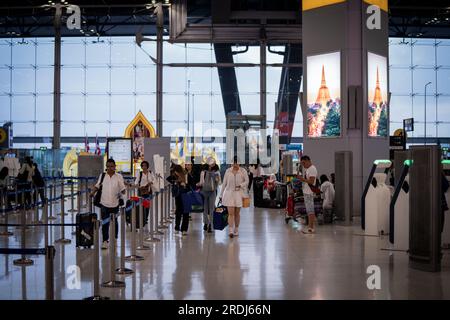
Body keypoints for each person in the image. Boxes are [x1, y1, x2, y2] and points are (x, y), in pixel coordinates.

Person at [90, 159, 126, 249]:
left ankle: (115, 238)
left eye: (111, 166)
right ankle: (105, 240)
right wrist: (92, 193)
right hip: (104, 203)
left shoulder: (118, 176)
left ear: (115, 167)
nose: (109, 168)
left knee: (115, 222)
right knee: (105, 223)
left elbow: (123, 189)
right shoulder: (102, 176)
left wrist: (122, 191)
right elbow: (97, 185)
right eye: (108, 166)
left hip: (115, 203)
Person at [219, 156, 249, 238]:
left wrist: (241, 185)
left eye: (237, 163)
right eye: (234, 163)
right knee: (230, 213)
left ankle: (236, 229)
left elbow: (247, 181)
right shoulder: (228, 171)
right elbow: (224, 183)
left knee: (237, 213)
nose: (235, 165)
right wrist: (221, 195)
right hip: (229, 193)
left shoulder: (243, 171)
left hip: (239, 194)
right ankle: (231, 230)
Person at [197, 158, 221, 233]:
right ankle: (210, 224)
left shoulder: (203, 172)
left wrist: (197, 185)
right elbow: (219, 182)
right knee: (211, 209)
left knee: (205, 208)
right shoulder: (217, 172)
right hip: (212, 192)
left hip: (204, 191)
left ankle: (206, 223)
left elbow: (201, 183)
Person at [298, 155, 318, 234]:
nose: (303, 165)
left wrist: (301, 179)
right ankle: (310, 227)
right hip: (307, 192)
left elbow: (312, 181)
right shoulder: (308, 169)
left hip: (309, 192)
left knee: (310, 210)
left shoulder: (312, 169)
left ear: (307, 160)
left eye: (304, 163)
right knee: (309, 210)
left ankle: (311, 228)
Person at [134, 160, 154, 225]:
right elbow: (136, 182)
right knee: (142, 205)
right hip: (141, 192)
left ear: (147, 166)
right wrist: (139, 187)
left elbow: (153, 180)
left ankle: (146, 218)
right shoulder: (140, 173)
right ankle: (142, 218)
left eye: (145, 165)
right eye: (143, 166)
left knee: (147, 206)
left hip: (148, 191)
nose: (144, 167)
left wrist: (150, 182)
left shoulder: (150, 173)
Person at [172, 165, 189, 236]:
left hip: (181, 194)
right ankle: (183, 229)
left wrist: (181, 182)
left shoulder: (185, 174)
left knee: (180, 211)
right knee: (184, 211)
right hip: (183, 194)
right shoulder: (176, 175)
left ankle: (178, 228)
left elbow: (188, 183)